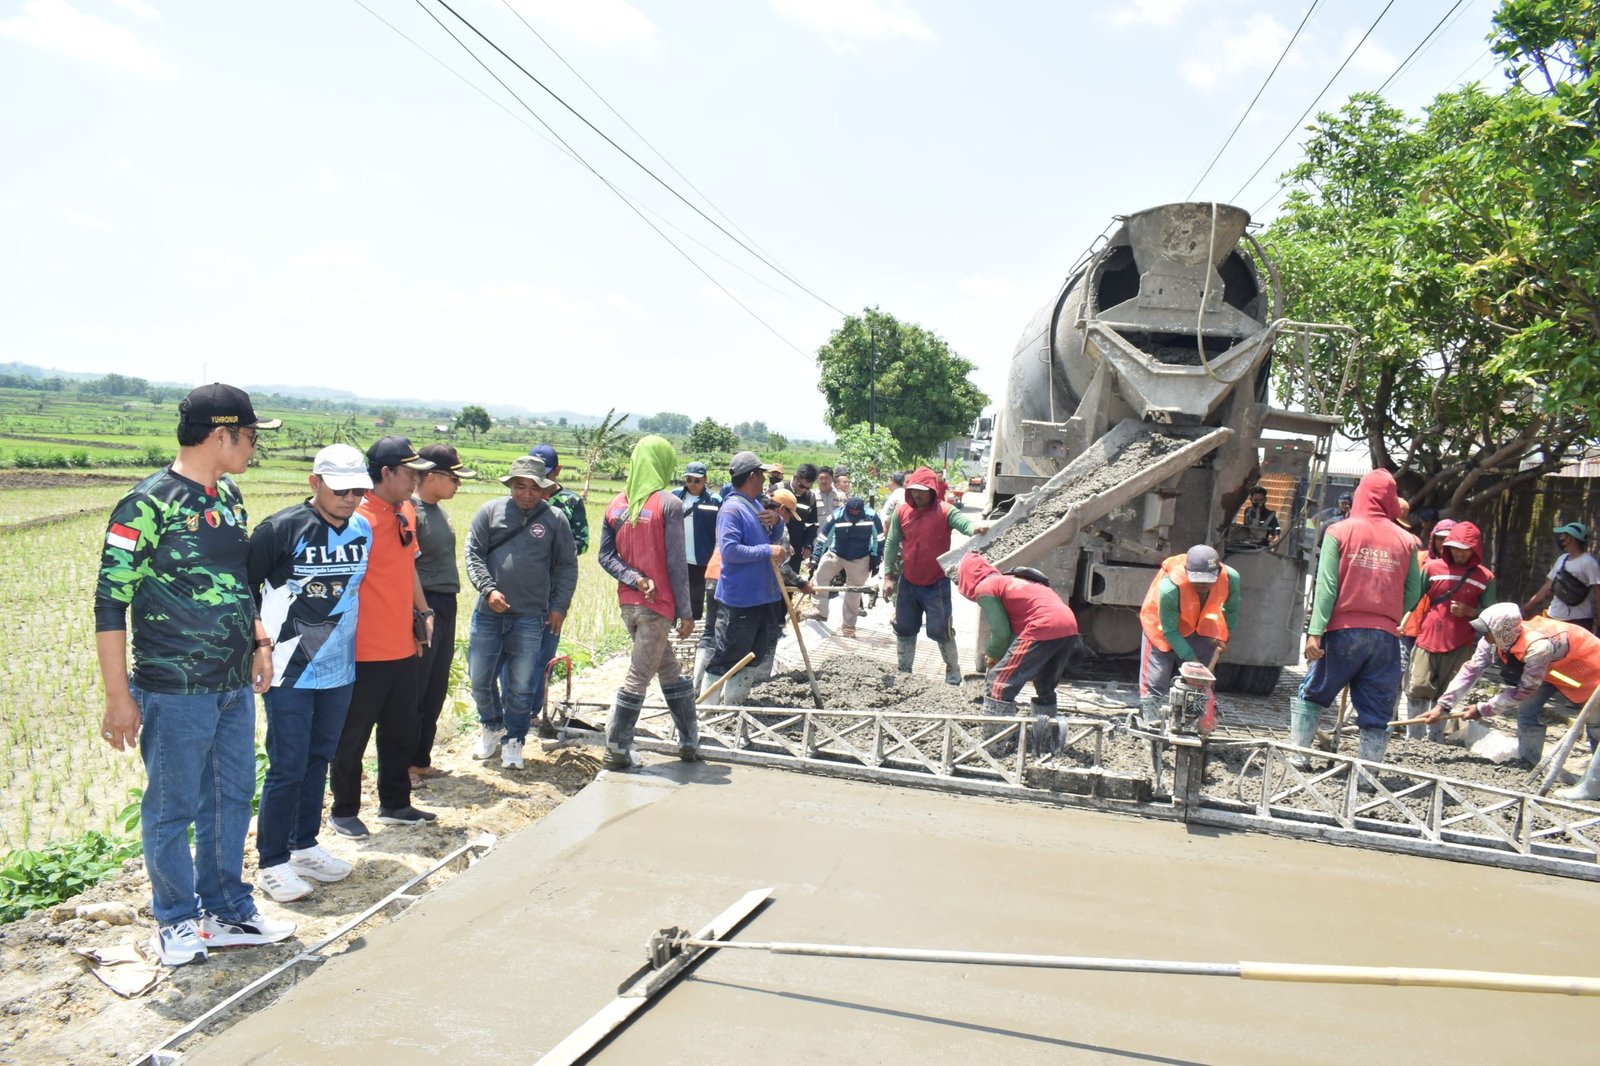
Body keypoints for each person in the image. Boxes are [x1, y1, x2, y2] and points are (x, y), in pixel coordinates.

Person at [94, 382, 293, 966]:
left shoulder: (228, 497)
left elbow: (237, 581)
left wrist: (259, 640)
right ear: (221, 434)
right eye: (251, 435)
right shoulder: (147, 504)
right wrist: (117, 695)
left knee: (231, 798)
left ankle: (227, 909)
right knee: (173, 806)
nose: (255, 445)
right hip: (174, 688)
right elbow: (110, 603)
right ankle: (176, 919)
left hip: (232, 683)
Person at [247, 444, 371, 903]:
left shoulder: (362, 529)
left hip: (338, 667)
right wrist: (258, 646)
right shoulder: (281, 529)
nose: (350, 499)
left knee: (320, 757)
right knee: (288, 764)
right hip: (287, 668)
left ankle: (304, 845)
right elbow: (243, 587)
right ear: (314, 483)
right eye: (340, 490)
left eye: (358, 490)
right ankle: (272, 862)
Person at [330, 437, 437, 836]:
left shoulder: (405, 511)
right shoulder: (357, 517)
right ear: (386, 472)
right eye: (409, 473)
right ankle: (343, 810)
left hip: (402, 645)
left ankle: (395, 803)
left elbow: (408, 567)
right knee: (352, 736)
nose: (415, 481)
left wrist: (424, 612)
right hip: (362, 649)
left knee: (400, 730)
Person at [1291, 470, 1422, 771]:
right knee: (1377, 709)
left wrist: (1315, 632)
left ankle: (1299, 758)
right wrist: (1389, 614)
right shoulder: (1408, 540)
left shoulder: (1339, 531)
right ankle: (1367, 775)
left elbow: (1326, 587)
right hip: (1385, 637)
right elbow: (1414, 592)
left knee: (1313, 694)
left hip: (1343, 631)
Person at [464, 455, 578, 769]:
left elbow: (567, 566)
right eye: (519, 486)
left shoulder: (555, 519)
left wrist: (559, 606)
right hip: (488, 614)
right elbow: (473, 554)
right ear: (510, 485)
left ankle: (514, 739)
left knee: (521, 685)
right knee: (479, 679)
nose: (526, 494)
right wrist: (488, 589)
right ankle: (492, 725)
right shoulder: (489, 512)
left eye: (533, 488)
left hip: (530, 616)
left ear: (544, 488)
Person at [1420, 604, 1600, 795]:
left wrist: (1482, 709)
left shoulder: (1537, 647)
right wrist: (1443, 706)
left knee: (1596, 727)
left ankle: (1592, 787)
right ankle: (1528, 763)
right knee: (1527, 711)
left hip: (1590, 670)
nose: (1484, 636)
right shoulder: (1494, 640)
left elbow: (1524, 691)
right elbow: (1471, 669)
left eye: (1487, 632)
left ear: (1502, 631)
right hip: (1551, 670)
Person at [598, 436, 698, 767]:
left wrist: (633, 578)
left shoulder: (616, 505)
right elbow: (676, 563)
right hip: (657, 606)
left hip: (628, 605)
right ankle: (616, 748)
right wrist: (686, 612)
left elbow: (605, 556)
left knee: (668, 668)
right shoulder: (668, 504)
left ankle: (689, 740)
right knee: (639, 674)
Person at [958, 553, 1080, 749]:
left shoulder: (985, 587)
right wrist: (1003, 656)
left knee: (998, 683)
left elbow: (1000, 633)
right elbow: (1014, 635)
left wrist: (992, 654)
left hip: (1043, 625)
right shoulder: (1012, 581)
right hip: (1069, 625)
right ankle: (1044, 741)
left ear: (967, 577)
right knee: (1045, 685)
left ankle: (994, 745)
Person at [881, 467, 989, 684]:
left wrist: (974, 528)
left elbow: (965, 524)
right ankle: (904, 671)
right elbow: (891, 543)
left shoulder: (945, 511)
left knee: (941, 629)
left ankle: (953, 672)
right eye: (913, 490)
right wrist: (888, 576)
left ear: (931, 490)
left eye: (922, 491)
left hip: (936, 583)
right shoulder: (901, 512)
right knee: (904, 627)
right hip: (908, 583)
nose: (917, 495)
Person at [410, 444, 475, 785]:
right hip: (423, 605)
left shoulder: (438, 511)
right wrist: (421, 612)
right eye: (454, 478)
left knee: (435, 685)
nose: (458, 485)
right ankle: (404, 765)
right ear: (432, 476)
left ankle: (421, 760)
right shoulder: (411, 511)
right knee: (416, 686)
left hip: (445, 602)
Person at [702, 451, 787, 705]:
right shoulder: (732, 510)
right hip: (740, 598)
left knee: (754, 653)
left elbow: (770, 537)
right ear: (752, 476)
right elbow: (730, 551)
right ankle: (707, 709)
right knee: (727, 655)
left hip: (761, 595)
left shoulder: (756, 505)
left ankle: (734, 706)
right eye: (761, 474)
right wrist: (768, 551)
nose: (764, 479)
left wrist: (777, 521)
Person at [1401, 522, 1494, 742]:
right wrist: (1400, 620)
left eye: (1465, 549)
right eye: (1455, 548)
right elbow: (1413, 598)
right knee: (1418, 687)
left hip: (1460, 645)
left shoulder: (1485, 578)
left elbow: (1491, 614)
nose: (1459, 554)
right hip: (1427, 639)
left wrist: (1470, 611)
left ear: (1475, 549)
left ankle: (1435, 741)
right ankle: (1413, 740)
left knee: (1447, 693)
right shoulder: (1432, 569)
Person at [1136, 545, 1240, 726]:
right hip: (1161, 626)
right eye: (1198, 581)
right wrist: (1191, 659)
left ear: (1218, 572)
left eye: (1208, 581)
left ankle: (1197, 717)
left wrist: (1224, 636)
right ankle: (1151, 717)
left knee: (1201, 678)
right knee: (1157, 676)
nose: (1203, 586)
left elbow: (1231, 611)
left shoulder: (1231, 579)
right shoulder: (1170, 587)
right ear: (1187, 571)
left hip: (1198, 625)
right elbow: (1170, 631)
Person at [526, 443, 588, 727]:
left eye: (545, 473)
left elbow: (582, 542)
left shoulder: (570, 502)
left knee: (543, 653)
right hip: (522, 590)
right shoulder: (522, 498)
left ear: (557, 471)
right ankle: (511, 707)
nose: (539, 479)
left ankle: (532, 710)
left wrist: (554, 547)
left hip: (552, 593)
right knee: (514, 654)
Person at [806, 496, 882, 637]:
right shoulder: (836, 516)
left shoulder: (871, 516)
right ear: (846, 509)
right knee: (820, 576)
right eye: (851, 514)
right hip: (837, 554)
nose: (853, 517)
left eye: (857, 514)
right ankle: (820, 611)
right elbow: (823, 538)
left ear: (862, 510)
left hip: (860, 557)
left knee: (854, 590)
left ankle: (848, 626)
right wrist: (816, 558)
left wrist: (876, 558)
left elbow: (879, 538)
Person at [1522, 521, 1600, 634]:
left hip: (1578, 621)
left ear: (1571, 539)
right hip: (1554, 616)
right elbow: (1548, 585)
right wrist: (1528, 606)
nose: (1561, 538)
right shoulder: (1562, 559)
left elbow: (1598, 593)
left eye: (1563, 536)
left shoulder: (1589, 563)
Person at [672, 460, 721, 623]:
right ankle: (672, 626)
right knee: (674, 593)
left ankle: (693, 625)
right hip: (677, 557)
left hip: (701, 557)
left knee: (696, 596)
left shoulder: (715, 500)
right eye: (689, 480)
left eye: (697, 480)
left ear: (705, 479)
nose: (692, 484)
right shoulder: (675, 496)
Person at [784, 463, 821, 564]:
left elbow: (812, 525)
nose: (804, 490)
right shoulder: (778, 491)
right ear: (795, 477)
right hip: (776, 547)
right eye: (801, 486)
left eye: (808, 488)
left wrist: (808, 544)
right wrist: (782, 542)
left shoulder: (810, 498)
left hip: (796, 551)